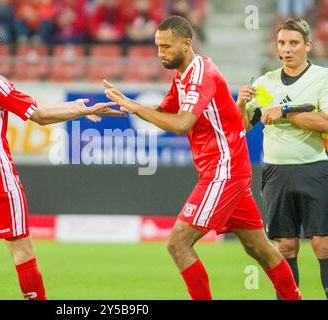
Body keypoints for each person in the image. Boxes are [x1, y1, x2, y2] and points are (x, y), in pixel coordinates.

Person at [0, 12, 123, 300]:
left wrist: (72, 105)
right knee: (22, 249)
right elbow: (39, 117)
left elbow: (23, 101)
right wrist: (84, 110)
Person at [104, 15, 302, 300]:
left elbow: (182, 123)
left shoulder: (202, 75)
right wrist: (123, 107)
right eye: (158, 47)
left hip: (224, 170)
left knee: (178, 243)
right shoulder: (184, 77)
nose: (161, 54)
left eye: (167, 47)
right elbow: (163, 112)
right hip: (227, 169)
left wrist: (135, 108)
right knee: (258, 247)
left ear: (187, 43)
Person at [237, 17, 328, 299]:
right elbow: (242, 127)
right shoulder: (265, 83)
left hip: (315, 168)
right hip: (276, 173)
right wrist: (240, 104)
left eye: (293, 43)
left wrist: (285, 111)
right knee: (285, 247)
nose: (286, 49)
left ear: (308, 45)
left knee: (323, 245)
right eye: (281, 43)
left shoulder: (323, 78)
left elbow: (325, 121)